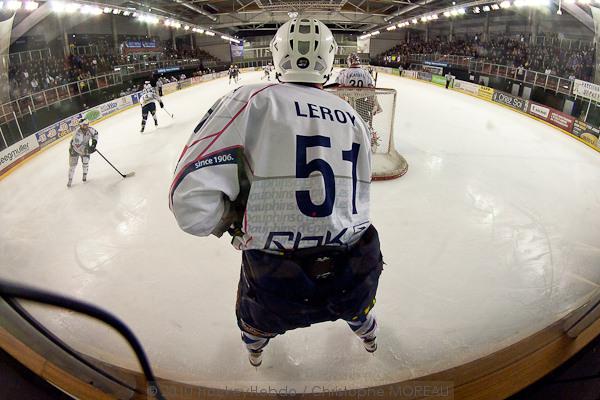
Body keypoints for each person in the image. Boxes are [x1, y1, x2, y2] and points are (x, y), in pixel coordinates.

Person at [170, 18, 383, 368]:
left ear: (276, 53)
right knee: (358, 311)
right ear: (330, 59)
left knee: (256, 322)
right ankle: (370, 336)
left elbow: (190, 202)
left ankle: (255, 349)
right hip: (353, 266)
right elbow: (361, 188)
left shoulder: (251, 99)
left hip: (276, 270)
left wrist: (231, 221)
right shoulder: (352, 116)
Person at [67, 118, 98, 187]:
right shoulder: (77, 134)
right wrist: (88, 150)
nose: (86, 126)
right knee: (72, 166)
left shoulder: (90, 130)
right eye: (84, 125)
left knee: (86, 162)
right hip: (74, 149)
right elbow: (78, 147)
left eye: (87, 125)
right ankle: (70, 179)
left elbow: (95, 134)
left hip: (85, 147)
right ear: (80, 126)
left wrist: (93, 144)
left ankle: (84, 176)